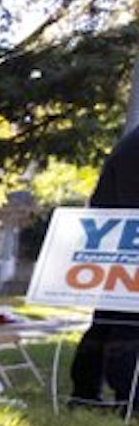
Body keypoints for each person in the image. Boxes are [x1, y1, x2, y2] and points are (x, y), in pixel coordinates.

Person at [67, 123, 139, 408]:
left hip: (112, 239)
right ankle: (127, 398)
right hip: (125, 240)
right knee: (127, 325)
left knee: (107, 322)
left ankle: (84, 393)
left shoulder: (131, 142)